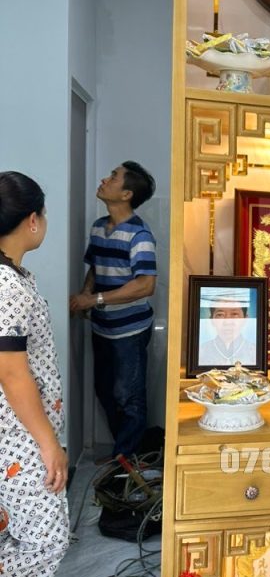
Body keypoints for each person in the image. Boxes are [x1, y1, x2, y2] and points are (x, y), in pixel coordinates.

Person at [0, 172, 69, 577]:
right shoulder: (4, 284)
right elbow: (11, 372)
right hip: (19, 436)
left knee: (14, 537)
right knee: (45, 539)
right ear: (32, 220)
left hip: (24, 430)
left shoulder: (15, 274)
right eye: (42, 214)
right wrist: (48, 444)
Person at [69, 163, 157, 466]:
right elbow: (96, 267)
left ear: (126, 194)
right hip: (102, 326)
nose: (105, 179)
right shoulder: (98, 226)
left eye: (113, 177)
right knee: (105, 390)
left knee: (128, 397)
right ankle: (125, 457)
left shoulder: (139, 235)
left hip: (130, 330)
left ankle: (126, 462)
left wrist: (93, 299)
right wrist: (86, 295)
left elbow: (145, 285)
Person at [198, 288, 257, 367]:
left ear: (245, 319)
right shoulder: (201, 351)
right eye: (220, 315)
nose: (227, 322)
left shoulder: (255, 351)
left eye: (234, 314)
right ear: (212, 320)